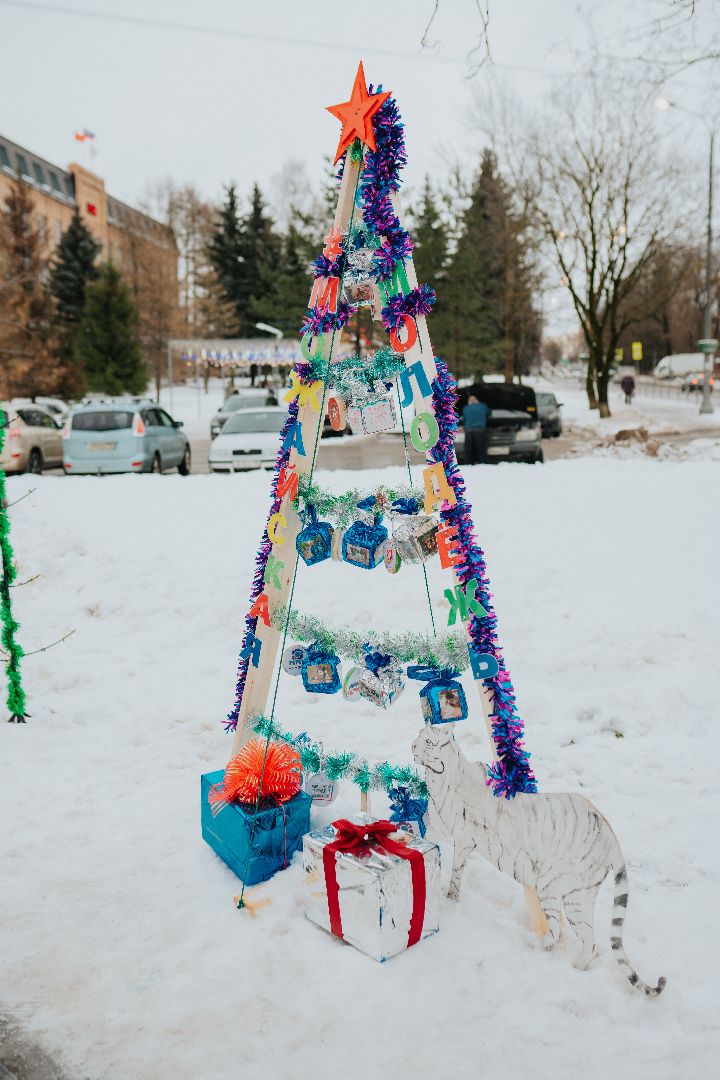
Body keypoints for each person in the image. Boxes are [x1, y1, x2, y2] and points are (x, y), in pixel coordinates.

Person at [462, 394, 490, 464]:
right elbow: (489, 413)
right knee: (481, 449)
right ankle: (483, 462)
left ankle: (468, 463)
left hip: (468, 431)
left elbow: (464, 418)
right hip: (480, 430)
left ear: (469, 401)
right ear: (476, 400)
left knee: (468, 449)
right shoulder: (482, 406)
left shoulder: (466, 408)